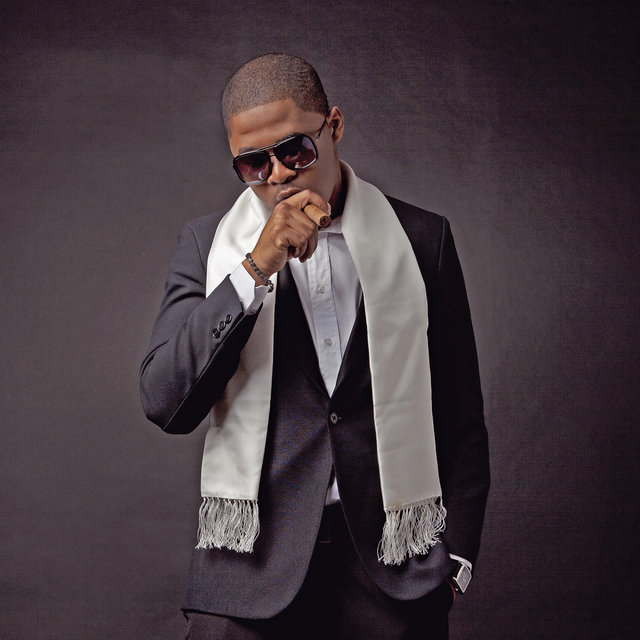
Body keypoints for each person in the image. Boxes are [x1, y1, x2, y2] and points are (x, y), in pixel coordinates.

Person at [140, 53, 490, 640]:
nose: (277, 174)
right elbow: (165, 402)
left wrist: (454, 559)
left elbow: (460, 413)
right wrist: (254, 269)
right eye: (253, 163)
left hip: (394, 572)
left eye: (294, 150)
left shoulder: (422, 238)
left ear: (334, 126)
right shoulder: (207, 246)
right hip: (249, 573)